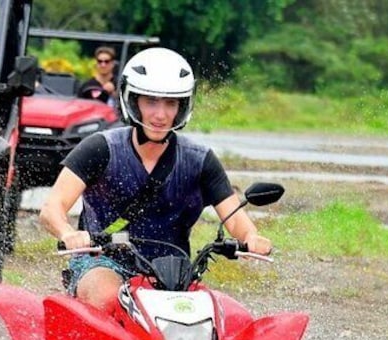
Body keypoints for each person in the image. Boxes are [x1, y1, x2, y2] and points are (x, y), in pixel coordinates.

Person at [39, 47, 272, 313]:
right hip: (101, 261)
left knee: (219, 316)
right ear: (133, 101)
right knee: (108, 296)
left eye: (170, 103)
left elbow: (235, 218)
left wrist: (252, 237)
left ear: (182, 107)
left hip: (173, 271)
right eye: (151, 102)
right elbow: (51, 208)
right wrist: (68, 234)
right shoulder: (100, 148)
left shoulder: (200, 160)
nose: (161, 114)